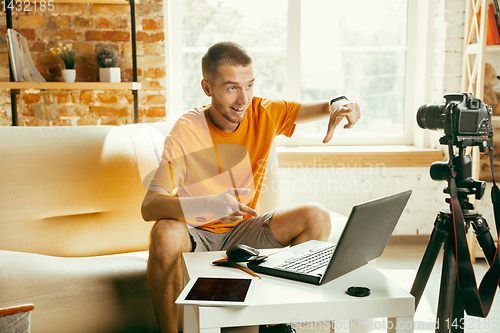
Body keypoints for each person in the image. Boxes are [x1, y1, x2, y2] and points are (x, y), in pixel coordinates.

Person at [141, 41, 361, 333]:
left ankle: (275, 320)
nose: (243, 98)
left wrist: (340, 105)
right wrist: (209, 205)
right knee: (165, 232)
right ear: (207, 88)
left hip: (243, 232)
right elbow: (150, 206)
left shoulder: (264, 112)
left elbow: (324, 106)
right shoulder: (187, 129)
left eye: (250, 85)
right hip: (196, 235)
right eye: (231, 87)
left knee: (317, 216)